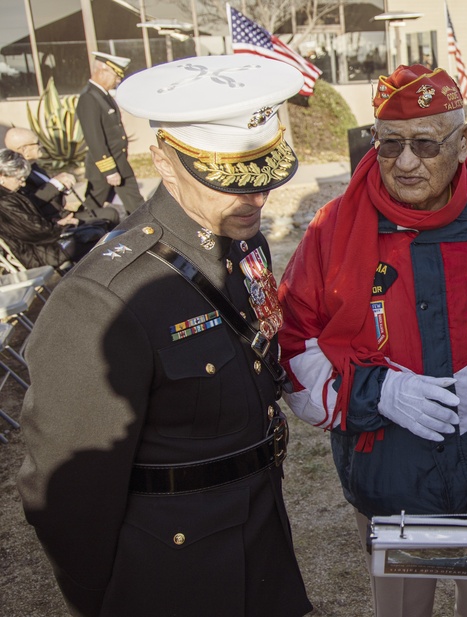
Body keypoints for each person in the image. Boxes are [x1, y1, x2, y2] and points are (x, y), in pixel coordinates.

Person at [17, 55, 313, 617]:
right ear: (164, 160)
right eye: (231, 179)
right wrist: (106, 597)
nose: (257, 198)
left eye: (265, 175)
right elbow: (67, 491)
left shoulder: (244, 242)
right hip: (172, 569)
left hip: (261, 531)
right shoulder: (103, 297)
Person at [278, 64, 467, 617]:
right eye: (389, 145)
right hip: (389, 479)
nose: (405, 162)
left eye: (424, 144)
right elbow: (294, 346)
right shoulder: (332, 231)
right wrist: (375, 391)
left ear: (463, 141)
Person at [4, 127, 120, 228]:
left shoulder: (35, 166)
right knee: (110, 215)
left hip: (63, 213)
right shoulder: (17, 177)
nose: (41, 145)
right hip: (53, 222)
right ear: (24, 149)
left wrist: (62, 187)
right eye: (37, 143)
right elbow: (31, 202)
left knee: (110, 214)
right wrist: (55, 184)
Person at [76, 51, 144, 215]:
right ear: (101, 69)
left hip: (119, 161)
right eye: (116, 75)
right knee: (92, 206)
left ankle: (144, 233)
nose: (118, 80)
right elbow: (94, 138)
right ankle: (78, 230)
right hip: (104, 167)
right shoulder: (89, 98)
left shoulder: (103, 95)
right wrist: (109, 170)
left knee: (136, 205)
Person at [0, 149, 82, 269]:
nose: (23, 184)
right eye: (20, 179)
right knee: (89, 239)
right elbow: (35, 232)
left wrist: (57, 223)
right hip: (36, 252)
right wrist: (59, 226)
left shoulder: (10, 193)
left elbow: (31, 222)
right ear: (2, 176)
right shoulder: (5, 200)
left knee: (92, 233)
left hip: (40, 246)